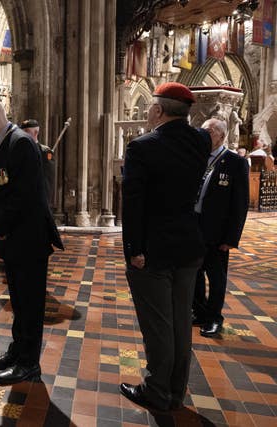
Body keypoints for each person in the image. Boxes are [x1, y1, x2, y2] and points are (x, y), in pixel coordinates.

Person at [120, 82, 210, 412]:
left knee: (158, 326)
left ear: (158, 110)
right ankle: (175, 390)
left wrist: (134, 250)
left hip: (153, 251)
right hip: (188, 246)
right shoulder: (201, 140)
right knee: (180, 323)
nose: (146, 112)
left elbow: (133, 203)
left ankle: (157, 391)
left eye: (150, 107)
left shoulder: (142, 147)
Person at [0, 96, 63, 385]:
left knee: (30, 305)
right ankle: (18, 351)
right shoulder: (4, 144)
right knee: (20, 302)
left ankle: (29, 364)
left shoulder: (20, 142)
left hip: (28, 238)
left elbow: (24, 196)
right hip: (15, 237)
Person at [193, 118, 249, 337]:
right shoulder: (198, 158)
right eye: (203, 131)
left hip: (217, 233)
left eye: (209, 132)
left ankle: (214, 318)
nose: (205, 135)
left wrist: (231, 238)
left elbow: (240, 204)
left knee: (216, 277)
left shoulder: (235, 162)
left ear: (222, 136)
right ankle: (199, 311)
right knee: (195, 273)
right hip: (194, 227)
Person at [19, 119, 55, 205]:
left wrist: (45, 201)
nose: (23, 134)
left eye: (27, 131)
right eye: (22, 132)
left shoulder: (45, 152)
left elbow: (47, 178)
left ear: (36, 133)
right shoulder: (18, 150)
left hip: (37, 199)